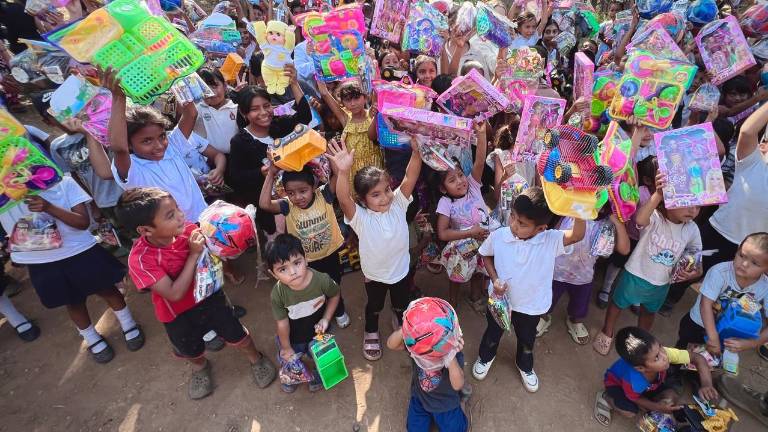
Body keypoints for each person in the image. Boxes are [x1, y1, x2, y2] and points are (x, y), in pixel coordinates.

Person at [116, 187, 276, 399]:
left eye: (177, 209)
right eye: (170, 215)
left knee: (236, 332)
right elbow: (173, 293)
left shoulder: (189, 230)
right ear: (145, 231)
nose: (181, 216)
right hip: (177, 313)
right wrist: (193, 255)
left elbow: (218, 249)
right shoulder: (141, 260)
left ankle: (256, 358)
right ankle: (201, 369)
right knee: (188, 348)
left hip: (211, 298)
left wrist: (229, 236)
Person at [0, 177, 144, 363]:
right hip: (41, 262)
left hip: (79, 251)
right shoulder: (5, 198)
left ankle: (128, 323)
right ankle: (91, 337)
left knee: (107, 289)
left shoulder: (64, 183)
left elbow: (82, 222)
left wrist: (48, 207)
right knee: (73, 301)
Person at [472, 187, 586, 392]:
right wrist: (495, 278)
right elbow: (485, 255)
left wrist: (580, 206)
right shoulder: (500, 236)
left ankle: (524, 365)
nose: (514, 225)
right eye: (513, 217)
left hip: (530, 306)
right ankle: (486, 356)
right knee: (492, 332)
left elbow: (577, 235)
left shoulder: (550, 240)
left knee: (527, 338)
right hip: (500, 301)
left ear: (541, 228)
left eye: (522, 223)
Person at [326, 136, 422, 361]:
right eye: (375, 194)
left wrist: (416, 153)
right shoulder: (360, 218)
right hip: (375, 276)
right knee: (374, 306)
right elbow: (343, 199)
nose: (385, 197)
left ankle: (399, 322)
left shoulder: (398, 203)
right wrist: (342, 172)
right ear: (363, 199)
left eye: (387, 190)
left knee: (401, 304)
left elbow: (410, 177)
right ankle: (371, 330)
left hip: (401, 272)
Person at [593, 173, 703, 356]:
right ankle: (607, 330)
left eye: (698, 206)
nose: (693, 210)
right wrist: (658, 194)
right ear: (669, 198)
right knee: (617, 304)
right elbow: (639, 220)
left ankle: (642, 338)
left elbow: (696, 254)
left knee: (649, 312)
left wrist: (695, 271)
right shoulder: (655, 217)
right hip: (635, 274)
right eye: (688, 203)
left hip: (661, 283)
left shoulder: (692, 229)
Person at [259, 165, 350, 328]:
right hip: (304, 261)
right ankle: (323, 315)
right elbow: (264, 204)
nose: (298, 197)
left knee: (333, 284)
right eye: (291, 193)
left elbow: (338, 173)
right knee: (314, 288)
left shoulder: (324, 194)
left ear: (313, 186)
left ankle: (339, 309)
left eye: (303, 190)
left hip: (330, 254)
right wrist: (271, 175)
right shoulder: (287, 205)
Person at [229, 67, 311, 236]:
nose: (263, 113)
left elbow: (304, 117)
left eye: (266, 106)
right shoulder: (240, 142)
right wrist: (262, 172)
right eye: (254, 109)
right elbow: (235, 178)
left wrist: (294, 83)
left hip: (297, 202)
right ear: (244, 114)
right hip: (269, 211)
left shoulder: (280, 126)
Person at [594, 326, 718, 426]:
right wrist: (657, 407)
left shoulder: (664, 354)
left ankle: (654, 403)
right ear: (641, 368)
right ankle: (606, 397)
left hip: (650, 384)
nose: (665, 357)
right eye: (656, 358)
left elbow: (697, 358)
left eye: (660, 347)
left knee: (671, 397)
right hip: (619, 385)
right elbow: (635, 398)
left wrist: (707, 384)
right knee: (631, 411)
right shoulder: (634, 380)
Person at [538, 210, 630, 345]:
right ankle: (544, 317)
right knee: (548, 298)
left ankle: (575, 321)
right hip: (556, 271)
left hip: (583, 276)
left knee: (580, 303)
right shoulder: (570, 212)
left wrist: (617, 222)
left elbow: (625, 249)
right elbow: (555, 233)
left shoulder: (606, 224)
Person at [266, 234, 340, 393]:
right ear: (273, 274)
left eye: (297, 263)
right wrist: (286, 347)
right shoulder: (278, 294)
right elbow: (282, 323)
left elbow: (334, 295)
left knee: (321, 355)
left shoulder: (322, 280)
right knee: (289, 356)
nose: (293, 272)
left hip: (319, 332)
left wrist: (326, 319)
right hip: (294, 337)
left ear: (305, 259)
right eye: (282, 269)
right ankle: (291, 375)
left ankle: (318, 376)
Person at [676, 233, 768, 354]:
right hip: (698, 325)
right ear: (737, 250)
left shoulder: (765, 288)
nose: (744, 264)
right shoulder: (719, 272)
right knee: (682, 356)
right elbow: (705, 305)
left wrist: (751, 343)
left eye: (755, 263)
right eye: (742, 255)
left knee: (707, 365)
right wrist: (713, 337)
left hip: (729, 334)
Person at [434, 122, 489, 308]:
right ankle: (452, 302)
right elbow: (443, 233)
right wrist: (470, 232)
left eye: (460, 175)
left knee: (480, 269)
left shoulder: (473, 186)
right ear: (443, 188)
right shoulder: (446, 203)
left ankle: (475, 296)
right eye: (451, 180)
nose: (459, 181)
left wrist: (481, 135)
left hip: (484, 240)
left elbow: (480, 160)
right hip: (462, 247)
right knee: (456, 276)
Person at [387, 328, 468, 432]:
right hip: (421, 399)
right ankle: (462, 395)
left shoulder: (452, 353)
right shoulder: (418, 344)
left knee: (457, 429)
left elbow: (457, 385)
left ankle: (461, 399)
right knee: (413, 429)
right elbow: (391, 344)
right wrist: (405, 328)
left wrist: (450, 356)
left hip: (445, 403)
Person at [317, 79, 382, 191]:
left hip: (374, 166)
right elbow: (324, 93)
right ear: (342, 102)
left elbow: (376, 90)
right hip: (353, 169)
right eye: (347, 100)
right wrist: (318, 69)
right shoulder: (345, 118)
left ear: (365, 97)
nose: (353, 103)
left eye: (356, 98)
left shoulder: (371, 114)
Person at [193, 68, 239, 154]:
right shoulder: (199, 109)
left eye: (215, 86)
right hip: (211, 160)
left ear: (225, 86)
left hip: (235, 158)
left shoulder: (236, 107)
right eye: (204, 89)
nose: (212, 93)